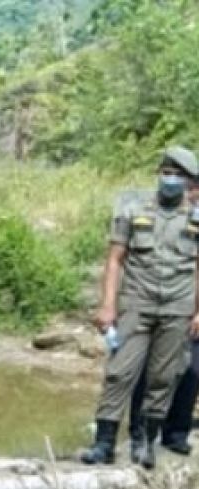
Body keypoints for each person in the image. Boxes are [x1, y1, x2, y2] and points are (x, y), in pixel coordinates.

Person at [79, 146, 199, 468]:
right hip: (137, 303)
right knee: (120, 372)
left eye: (177, 175)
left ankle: (144, 441)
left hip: (177, 307)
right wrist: (107, 305)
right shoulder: (133, 209)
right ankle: (103, 443)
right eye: (165, 172)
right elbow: (115, 260)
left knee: (163, 377)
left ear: (189, 183)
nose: (170, 179)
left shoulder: (197, 217)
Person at [126, 170, 199, 459]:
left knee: (192, 371)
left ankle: (175, 432)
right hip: (169, 303)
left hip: (190, 309)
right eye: (193, 189)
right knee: (149, 369)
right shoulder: (176, 218)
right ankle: (139, 432)